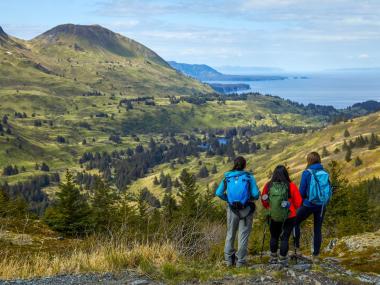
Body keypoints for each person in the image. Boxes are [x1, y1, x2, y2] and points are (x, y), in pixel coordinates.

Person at [215, 156, 260, 267]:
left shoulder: (227, 177)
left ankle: (228, 261)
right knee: (243, 235)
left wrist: (229, 200)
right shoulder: (249, 177)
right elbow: (255, 194)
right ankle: (240, 262)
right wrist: (247, 199)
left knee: (230, 234)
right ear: (244, 165)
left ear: (234, 164)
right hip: (246, 210)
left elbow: (218, 193)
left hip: (232, 210)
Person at [294, 152, 332, 262]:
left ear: (308, 161)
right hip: (321, 205)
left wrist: (299, 204)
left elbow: (301, 192)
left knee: (295, 221)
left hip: (309, 204)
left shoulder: (307, 173)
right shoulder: (324, 172)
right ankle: (316, 255)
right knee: (317, 229)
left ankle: (297, 248)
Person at [261, 165, 302, 266]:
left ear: (274, 174)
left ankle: (273, 257)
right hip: (289, 216)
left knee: (274, 236)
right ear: (286, 174)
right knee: (285, 237)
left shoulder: (268, 185)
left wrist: (271, 208)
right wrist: (291, 208)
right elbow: (298, 202)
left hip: (273, 215)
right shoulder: (291, 185)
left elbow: (264, 201)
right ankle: (282, 258)